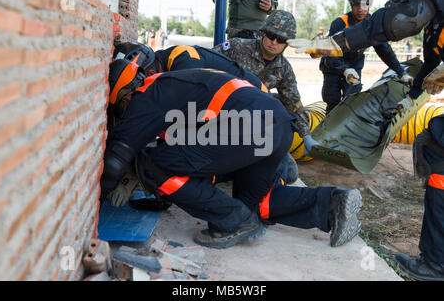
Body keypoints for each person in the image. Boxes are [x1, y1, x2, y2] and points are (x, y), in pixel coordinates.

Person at [102, 59, 363, 249]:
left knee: (152, 165)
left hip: (249, 128)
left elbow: (117, 158)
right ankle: (332, 204)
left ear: (122, 95)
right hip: (278, 126)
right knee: (252, 204)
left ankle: (232, 221)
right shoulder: (172, 84)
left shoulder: (144, 95)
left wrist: (99, 196)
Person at [288, 0, 444, 281]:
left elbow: (390, 28)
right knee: (430, 144)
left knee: (436, 152)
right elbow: (427, 67)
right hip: (338, 78)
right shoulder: (436, 29)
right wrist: (410, 95)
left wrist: (339, 44)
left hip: (352, 73)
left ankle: (436, 263)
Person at [111, 41, 298, 189]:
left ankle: (278, 168)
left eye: (150, 73)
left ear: (151, 68)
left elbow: (183, 121)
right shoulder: (169, 64)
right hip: (238, 106)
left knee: (277, 174)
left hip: (255, 106)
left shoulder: (183, 63)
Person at [213, 10, 319, 155]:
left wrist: (306, 137)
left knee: (289, 171)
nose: (274, 42)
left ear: (287, 43)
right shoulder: (237, 46)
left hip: (252, 122)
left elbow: (293, 103)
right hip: (220, 112)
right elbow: (206, 62)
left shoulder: (284, 69)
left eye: (280, 39)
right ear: (263, 32)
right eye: (271, 36)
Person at [319, 0, 411, 115]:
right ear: (351, 4)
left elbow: (384, 50)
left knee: (351, 102)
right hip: (333, 66)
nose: (361, 9)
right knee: (332, 101)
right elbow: (330, 53)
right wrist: (345, 69)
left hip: (355, 66)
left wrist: (402, 72)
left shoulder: (372, 24)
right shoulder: (340, 23)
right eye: (357, 5)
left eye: (365, 4)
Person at [212, 0, 278, 39]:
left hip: (259, 32)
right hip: (236, 31)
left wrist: (270, 6)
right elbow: (219, 0)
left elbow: (274, 4)